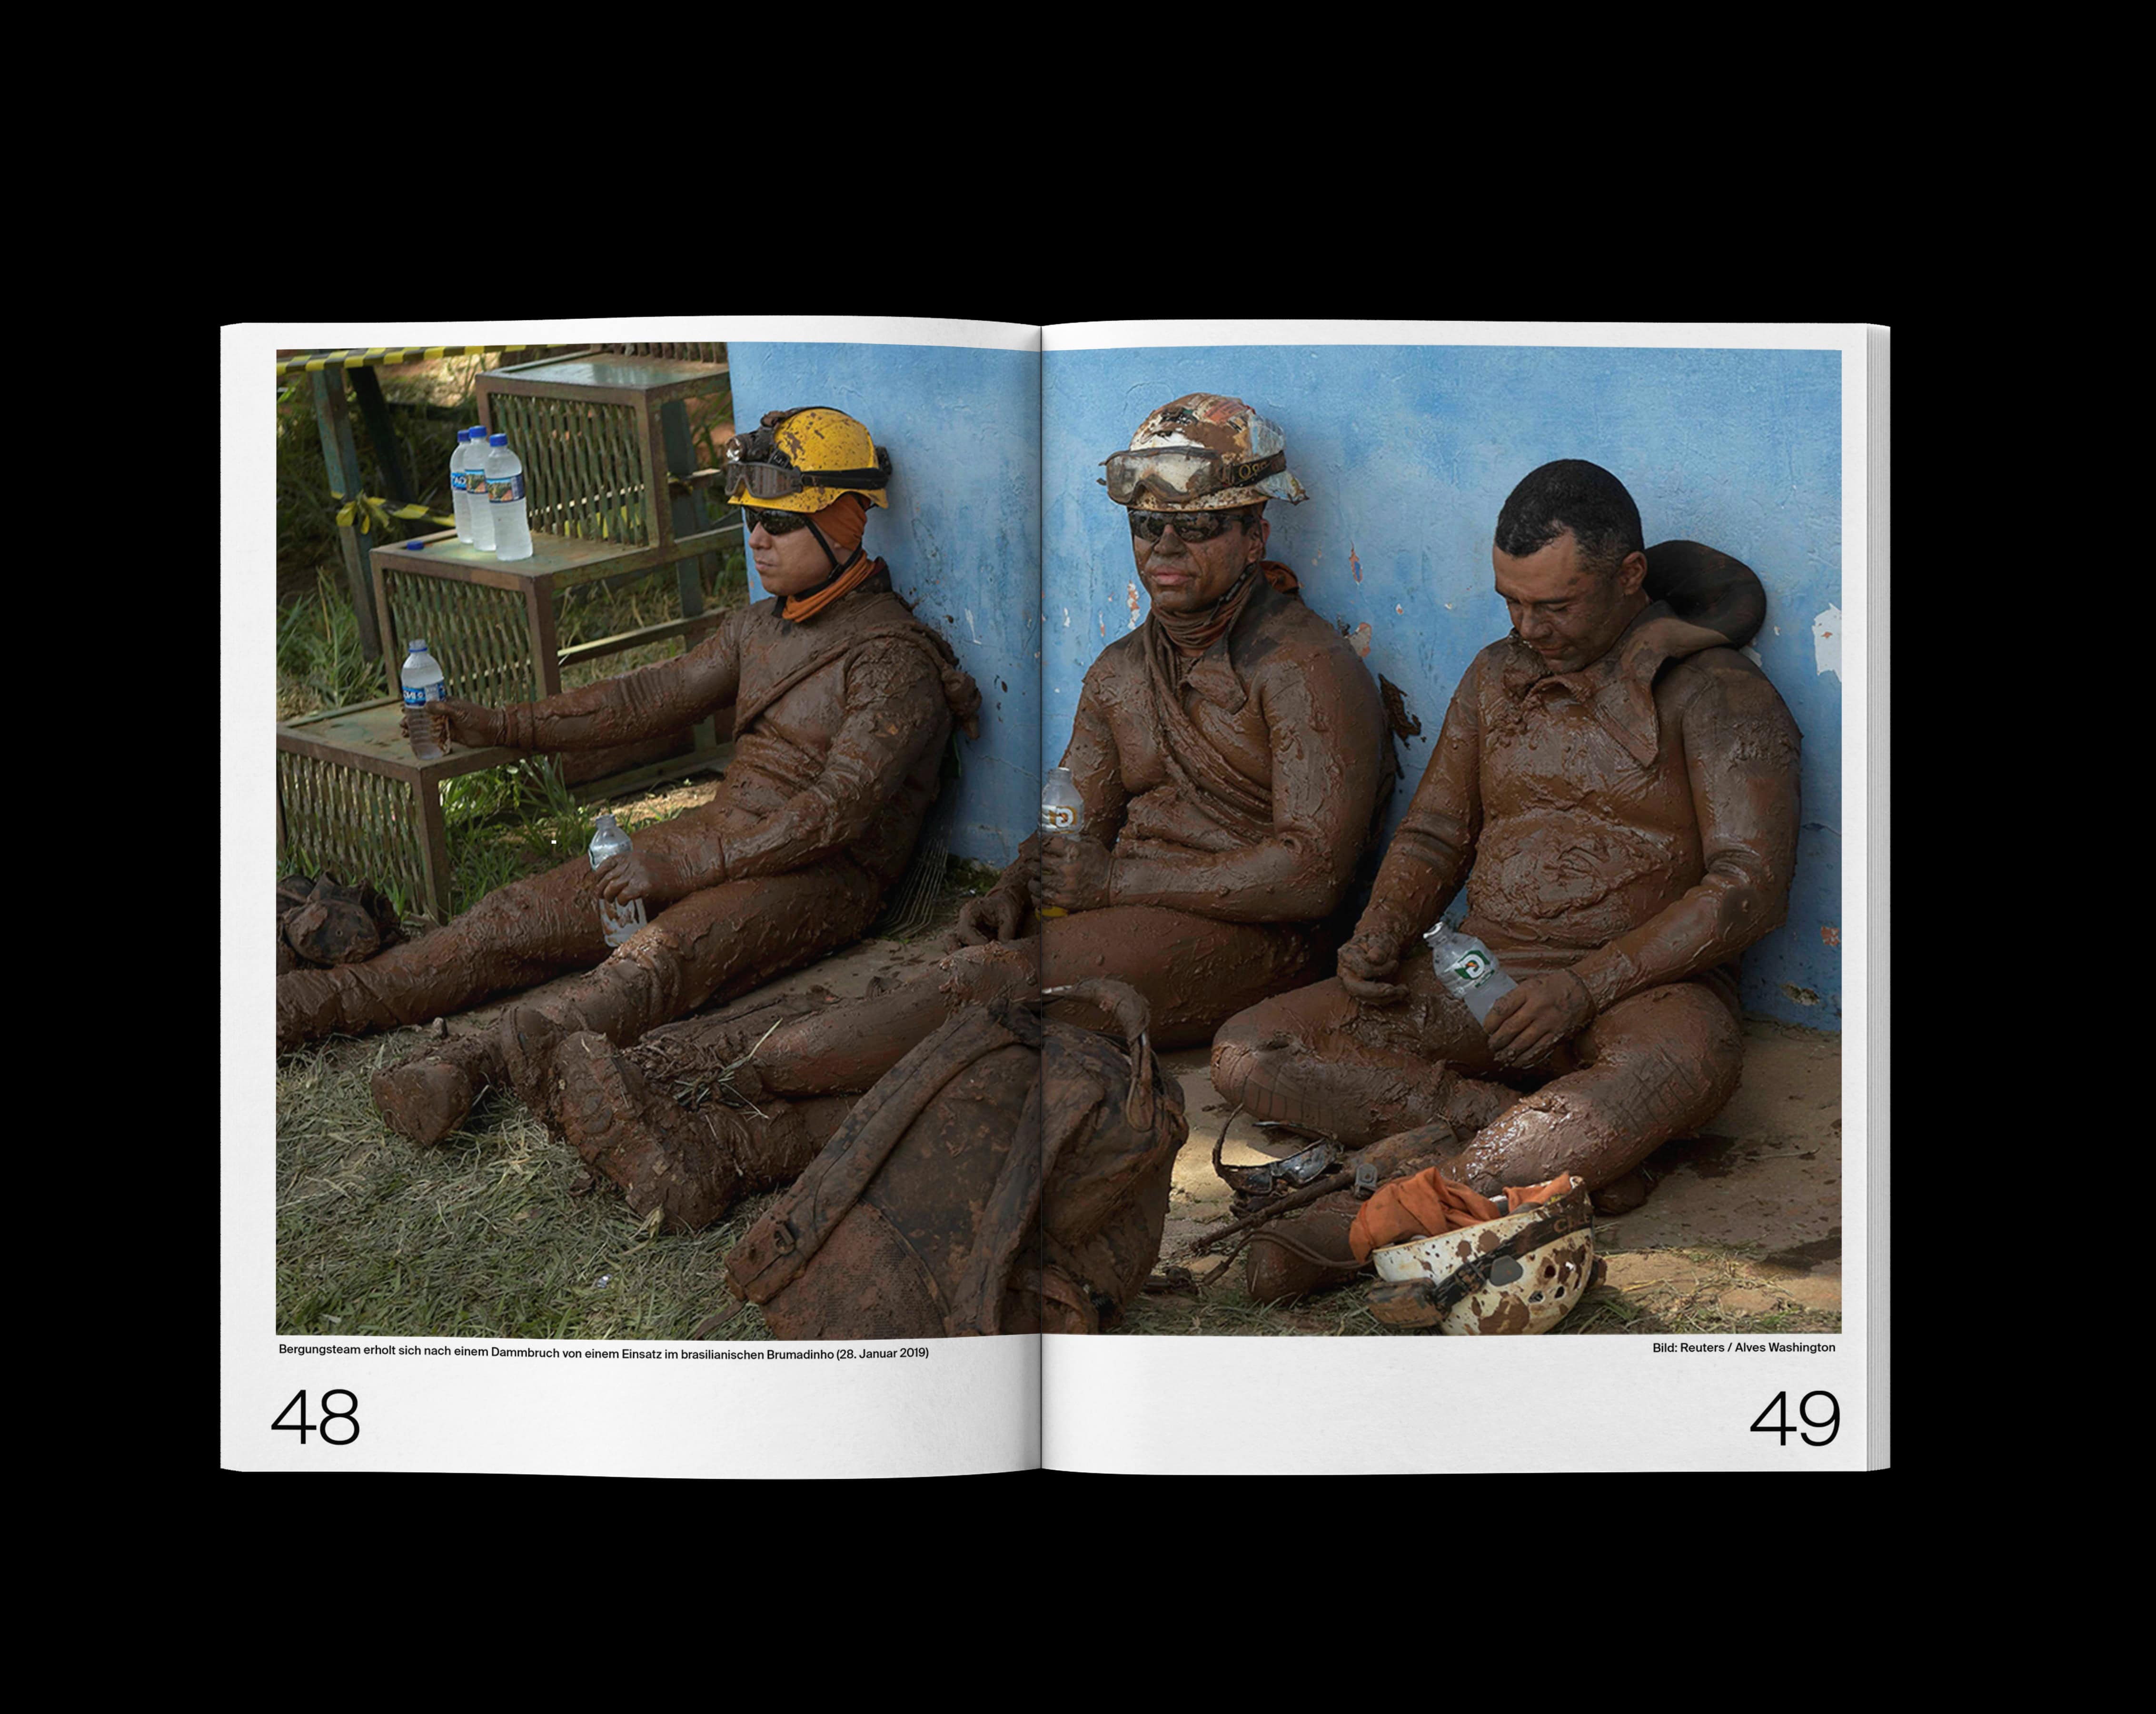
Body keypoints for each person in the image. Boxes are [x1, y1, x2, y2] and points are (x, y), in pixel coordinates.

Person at [529, 393, 1398, 1226]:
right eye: (1146, 525)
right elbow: (1069, 818)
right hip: (1128, 906)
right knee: (981, 1029)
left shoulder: (1302, 667)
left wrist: (1113, 878)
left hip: (1255, 936)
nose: (1164, 545)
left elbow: (1310, 876)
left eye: (1198, 524)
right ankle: (723, 1137)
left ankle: (678, 1072)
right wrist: (1016, 885)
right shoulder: (1122, 671)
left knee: (989, 991)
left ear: (1255, 534)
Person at [275, 407, 981, 1146]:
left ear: (843, 523)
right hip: (719, 839)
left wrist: (685, 864)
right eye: (750, 520)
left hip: (823, 878)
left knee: (651, 963)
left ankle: (468, 1065)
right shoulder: (760, 627)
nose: (757, 539)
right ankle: (307, 1005)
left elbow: (838, 811)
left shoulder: (891, 659)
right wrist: (508, 726)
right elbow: (643, 698)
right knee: (513, 918)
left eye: (778, 521)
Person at [1208, 459, 1803, 1297]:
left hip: (1644, 992)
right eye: (1511, 602)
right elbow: (1438, 828)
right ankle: (1545, 1144)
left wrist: (1585, 987)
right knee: (1248, 1051)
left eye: (1555, 605)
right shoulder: (1496, 675)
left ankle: (1373, 1223)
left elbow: (1748, 887)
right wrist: (1380, 927)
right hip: (1481, 971)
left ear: (1630, 577)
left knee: (1684, 1059)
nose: (1529, 626)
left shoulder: (1719, 693)